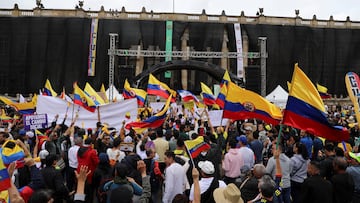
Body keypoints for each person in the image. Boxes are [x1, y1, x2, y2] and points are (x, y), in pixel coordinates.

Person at [77, 137, 99, 203]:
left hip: (80, 171)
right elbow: (97, 162)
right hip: (89, 172)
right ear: (91, 144)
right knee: (89, 192)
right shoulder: (92, 152)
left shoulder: (79, 149)